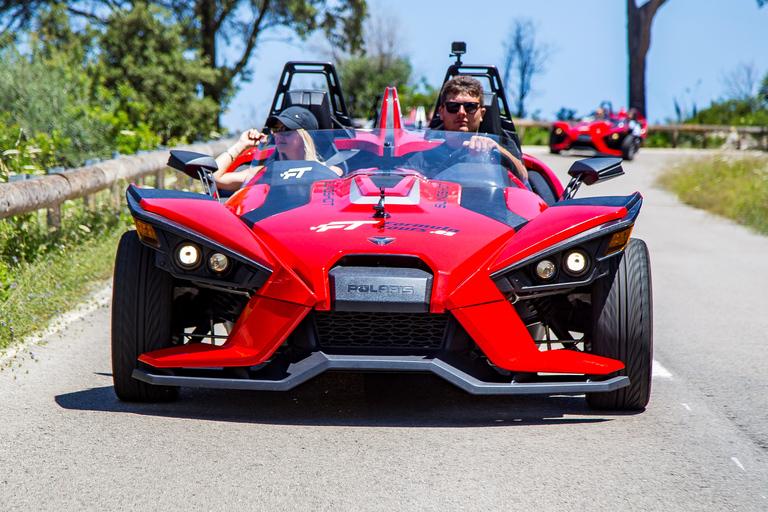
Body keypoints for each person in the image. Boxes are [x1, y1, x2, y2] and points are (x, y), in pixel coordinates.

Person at [406, 75, 529, 184]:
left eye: (470, 107)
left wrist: (496, 149)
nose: (461, 112)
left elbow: (523, 177)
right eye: (453, 106)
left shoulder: (501, 146)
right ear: (441, 112)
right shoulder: (422, 159)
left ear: (482, 113)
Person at [213, 106, 341, 191]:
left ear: (306, 136)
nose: (279, 135)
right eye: (276, 129)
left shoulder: (330, 172)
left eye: (286, 129)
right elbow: (214, 177)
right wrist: (241, 144)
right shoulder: (262, 173)